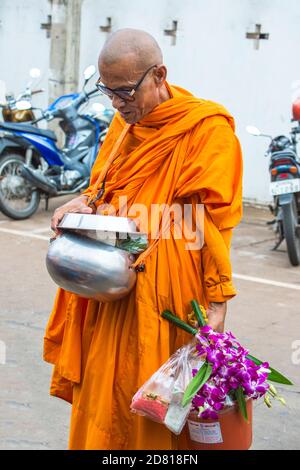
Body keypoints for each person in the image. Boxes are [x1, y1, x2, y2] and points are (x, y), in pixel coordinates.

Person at [44, 28, 243, 450]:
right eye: (108, 92)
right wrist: (80, 203)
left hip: (172, 292)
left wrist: (218, 301)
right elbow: (104, 187)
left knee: (158, 406)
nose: (118, 103)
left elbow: (209, 225)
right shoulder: (122, 125)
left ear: (159, 75)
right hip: (114, 288)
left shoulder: (206, 130)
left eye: (126, 92)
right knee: (104, 400)